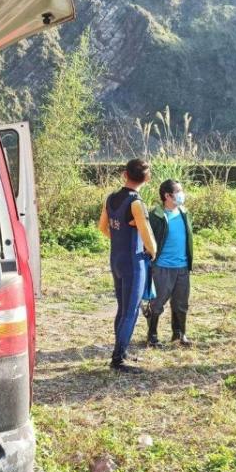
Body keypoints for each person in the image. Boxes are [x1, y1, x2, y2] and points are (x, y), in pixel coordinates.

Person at [97, 158, 158, 374]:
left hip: (116, 258)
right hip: (134, 262)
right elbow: (146, 232)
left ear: (125, 174)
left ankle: (119, 350)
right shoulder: (136, 203)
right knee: (131, 310)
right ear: (147, 178)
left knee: (122, 308)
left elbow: (102, 227)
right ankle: (118, 358)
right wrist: (153, 251)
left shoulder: (111, 198)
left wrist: (120, 236)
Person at [147, 180, 194, 347]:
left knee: (181, 303)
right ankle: (152, 335)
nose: (182, 194)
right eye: (178, 191)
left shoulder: (184, 213)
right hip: (162, 267)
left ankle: (179, 334)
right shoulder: (156, 216)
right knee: (157, 303)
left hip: (182, 267)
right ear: (167, 195)